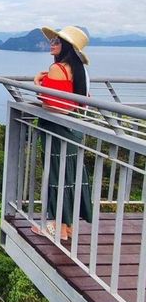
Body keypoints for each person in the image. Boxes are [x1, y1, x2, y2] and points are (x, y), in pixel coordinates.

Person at [31, 25, 93, 240]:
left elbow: (53, 104)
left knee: (56, 174)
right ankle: (67, 226)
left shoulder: (58, 68)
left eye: (57, 42)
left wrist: (37, 83)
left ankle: (57, 226)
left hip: (58, 127)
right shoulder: (79, 69)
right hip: (74, 127)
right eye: (52, 41)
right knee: (70, 175)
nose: (52, 44)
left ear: (66, 46)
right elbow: (77, 99)